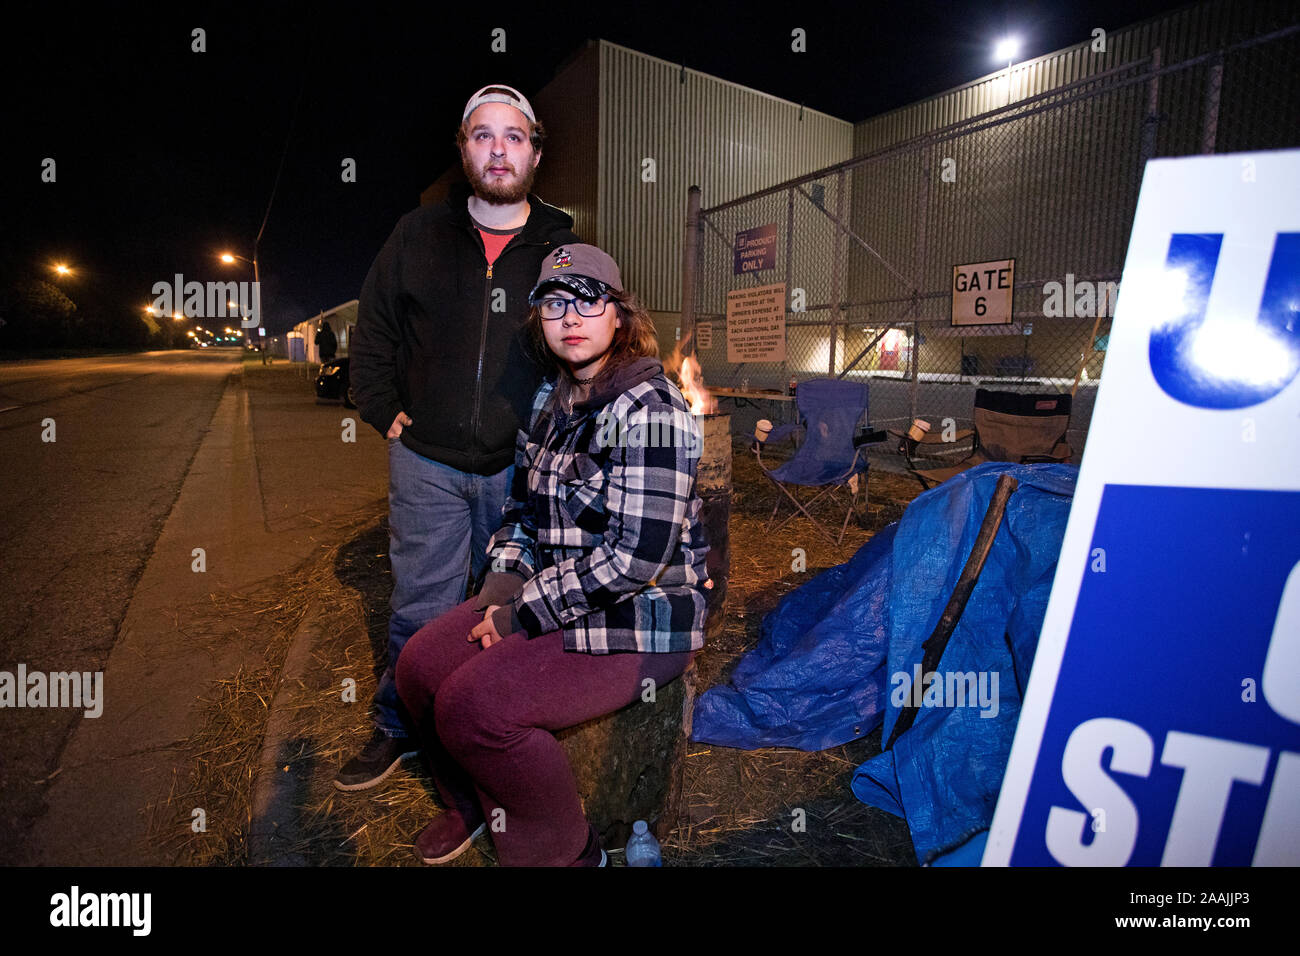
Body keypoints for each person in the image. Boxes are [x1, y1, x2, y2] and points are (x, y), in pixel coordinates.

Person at [394, 244, 709, 866]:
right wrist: (501, 585)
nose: (570, 316)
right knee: (420, 665)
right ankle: (478, 806)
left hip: (642, 617)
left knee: (475, 708)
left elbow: (636, 561)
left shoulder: (654, 410)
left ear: (619, 315)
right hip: (559, 593)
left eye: (588, 300)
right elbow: (521, 511)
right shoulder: (549, 399)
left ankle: (569, 853)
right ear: (538, 320)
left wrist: (522, 614)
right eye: (554, 303)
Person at [341, 84, 580, 790]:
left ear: (535, 151)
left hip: (522, 469)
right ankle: (401, 727)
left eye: (514, 136)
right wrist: (379, 406)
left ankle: (486, 730)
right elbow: (374, 331)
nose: (498, 149)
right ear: (464, 148)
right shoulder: (416, 235)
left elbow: (585, 340)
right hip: (429, 463)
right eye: (483, 134)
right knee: (423, 605)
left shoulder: (560, 246)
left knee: (509, 607)